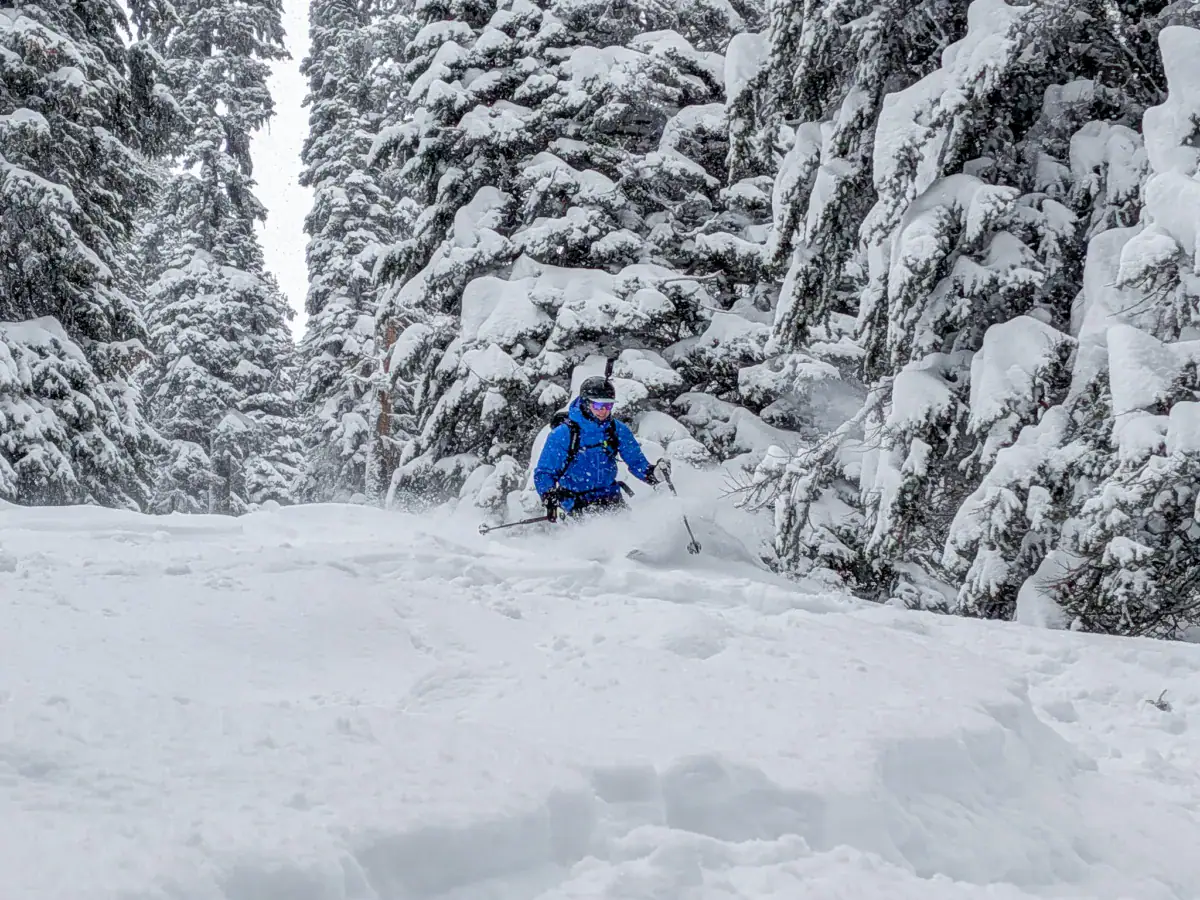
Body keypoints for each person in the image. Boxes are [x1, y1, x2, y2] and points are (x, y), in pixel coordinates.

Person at [533, 375, 671, 520]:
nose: (603, 411)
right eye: (598, 406)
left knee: (629, 535)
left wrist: (654, 474)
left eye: (608, 405)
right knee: (595, 539)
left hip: (609, 497)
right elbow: (545, 472)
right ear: (586, 403)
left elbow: (637, 462)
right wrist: (549, 496)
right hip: (575, 502)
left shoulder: (616, 430)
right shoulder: (563, 434)